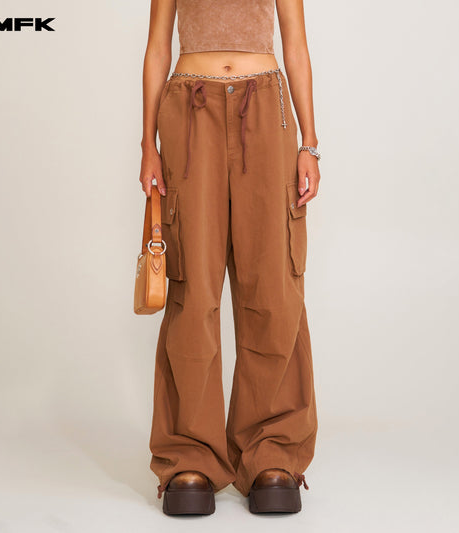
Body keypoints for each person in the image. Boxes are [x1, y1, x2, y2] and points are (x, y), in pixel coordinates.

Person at [139, 0, 320, 516]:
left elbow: (295, 43)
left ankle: (272, 450)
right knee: (192, 285)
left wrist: (310, 144)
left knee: (273, 285)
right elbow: (157, 47)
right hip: (188, 109)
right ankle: (188, 454)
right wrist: (148, 144)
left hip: (266, 108)